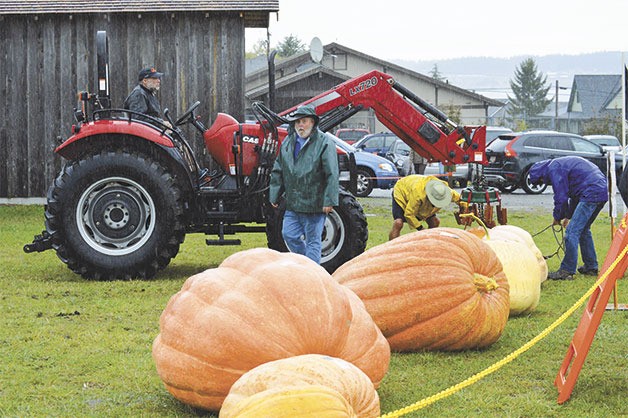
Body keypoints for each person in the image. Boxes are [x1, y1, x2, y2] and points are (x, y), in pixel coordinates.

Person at [269, 105, 339, 264]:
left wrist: (329, 200)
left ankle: (313, 275)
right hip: (293, 203)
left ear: (313, 122)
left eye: (304, 121)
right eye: (298, 121)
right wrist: (275, 194)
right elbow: (278, 169)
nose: (301, 125)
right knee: (289, 235)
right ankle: (306, 264)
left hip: (314, 203)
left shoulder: (324, 143)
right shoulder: (287, 142)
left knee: (313, 240)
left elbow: (332, 173)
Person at [528, 156, 608, 280]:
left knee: (571, 233)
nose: (544, 183)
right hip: (601, 191)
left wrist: (557, 217)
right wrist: (568, 216)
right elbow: (575, 195)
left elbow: (561, 197)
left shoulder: (554, 168)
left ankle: (567, 271)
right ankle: (591, 267)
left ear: (541, 175)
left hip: (591, 192)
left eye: (541, 181)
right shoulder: (559, 165)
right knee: (584, 230)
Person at [389, 174, 464, 240]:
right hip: (402, 191)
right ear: (429, 197)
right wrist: (421, 229)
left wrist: (463, 211)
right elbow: (409, 214)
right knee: (398, 223)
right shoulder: (418, 195)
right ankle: (391, 248)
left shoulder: (445, 191)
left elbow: (461, 200)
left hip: (419, 196)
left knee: (435, 222)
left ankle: (429, 244)